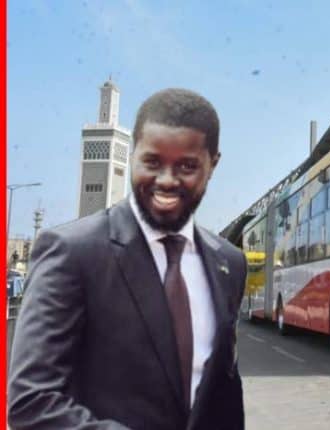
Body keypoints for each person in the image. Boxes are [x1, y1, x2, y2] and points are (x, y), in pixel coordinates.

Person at [8, 89, 246, 429]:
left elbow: (223, 392)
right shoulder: (72, 252)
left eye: (187, 166)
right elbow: (31, 402)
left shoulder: (229, 263)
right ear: (133, 154)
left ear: (213, 164)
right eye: (152, 162)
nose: (166, 181)